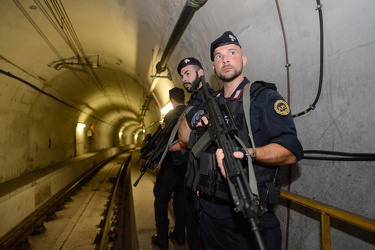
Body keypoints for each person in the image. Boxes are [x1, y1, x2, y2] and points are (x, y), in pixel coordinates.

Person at [181, 31, 304, 249]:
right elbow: (183, 139)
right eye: (218, 56)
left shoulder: (263, 98)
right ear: (213, 68)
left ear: (243, 59)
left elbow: (291, 150)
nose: (225, 59)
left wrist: (247, 153)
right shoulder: (209, 101)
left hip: (248, 212)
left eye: (232, 53)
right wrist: (192, 114)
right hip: (208, 212)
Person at [174, 57, 215, 250]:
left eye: (188, 73)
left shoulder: (208, 99)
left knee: (199, 235)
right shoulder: (195, 100)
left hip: (203, 182)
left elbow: (184, 138)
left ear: (201, 73)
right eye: (182, 76)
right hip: (194, 179)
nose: (184, 79)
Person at [152, 87, 188, 250]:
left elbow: (163, 142)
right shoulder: (191, 111)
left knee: (161, 201)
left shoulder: (170, 115)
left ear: (171, 100)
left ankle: (162, 239)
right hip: (186, 168)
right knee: (180, 201)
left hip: (169, 168)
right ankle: (179, 235)